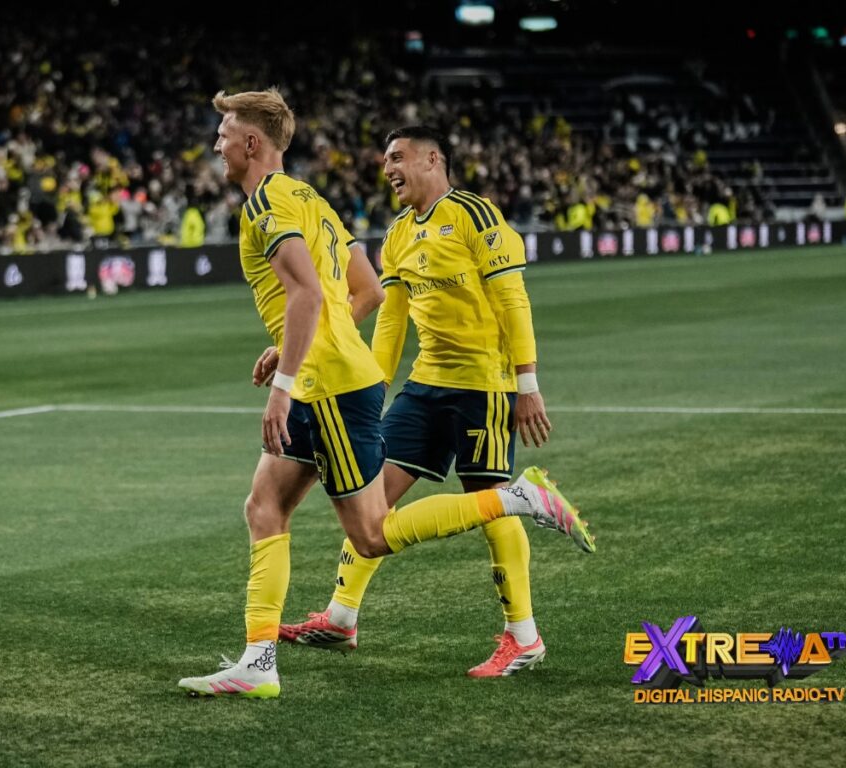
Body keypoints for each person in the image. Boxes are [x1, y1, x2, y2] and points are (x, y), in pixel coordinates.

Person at [177, 90, 594, 700]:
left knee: (373, 530)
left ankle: (519, 509)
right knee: (264, 506)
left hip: (355, 386)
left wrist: (286, 383)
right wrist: (325, 358)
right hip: (367, 381)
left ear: (251, 143)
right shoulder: (312, 200)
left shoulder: (270, 203)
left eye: (223, 133)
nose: (215, 143)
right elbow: (371, 293)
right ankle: (271, 654)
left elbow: (308, 297)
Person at [279, 126, 593, 678]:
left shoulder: (476, 216)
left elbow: (512, 301)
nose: (387, 169)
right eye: (384, 161)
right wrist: (370, 391)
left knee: (492, 504)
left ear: (433, 159)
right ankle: (340, 617)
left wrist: (526, 384)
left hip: (485, 387)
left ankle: (524, 637)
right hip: (425, 388)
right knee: (371, 497)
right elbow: (393, 320)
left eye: (397, 157)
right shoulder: (398, 234)